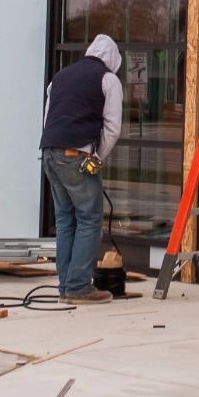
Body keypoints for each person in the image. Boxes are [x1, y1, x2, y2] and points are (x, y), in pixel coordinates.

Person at [40, 34, 123, 305]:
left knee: (65, 220)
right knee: (88, 219)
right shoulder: (108, 79)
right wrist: (97, 158)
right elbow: (112, 128)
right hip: (77, 153)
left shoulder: (60, 77)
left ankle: (66, 285)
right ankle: (77, 287)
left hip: (50, 152)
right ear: (112, 59)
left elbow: (48, 118)